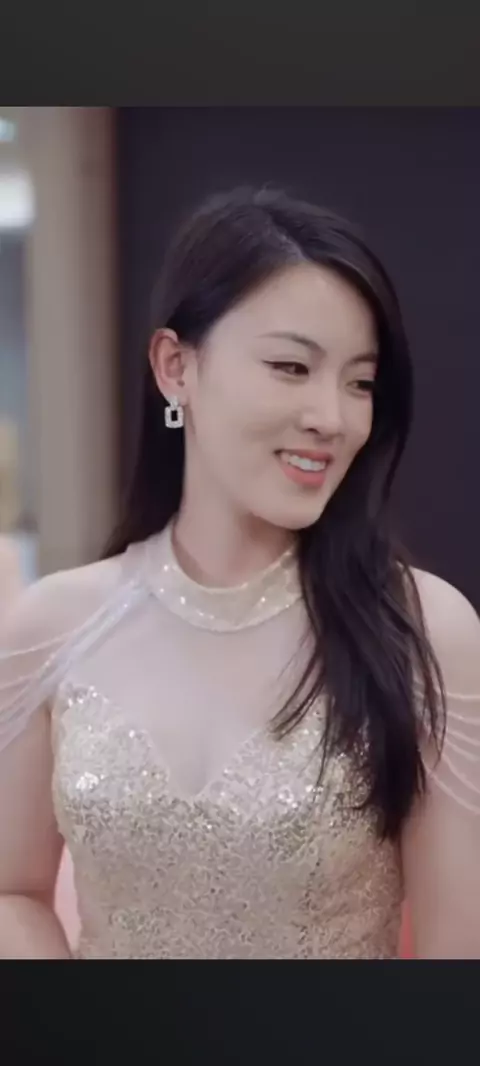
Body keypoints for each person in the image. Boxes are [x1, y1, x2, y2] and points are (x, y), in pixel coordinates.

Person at [0, 187, 479, 960]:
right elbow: (12, 891)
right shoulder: (53, 626)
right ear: (175, 368)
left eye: (360, 382)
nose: (332, 417)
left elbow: (459, 960)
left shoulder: (424, 631)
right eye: (292, 366)